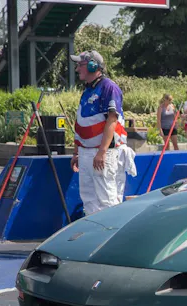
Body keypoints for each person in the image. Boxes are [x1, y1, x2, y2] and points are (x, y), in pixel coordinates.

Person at [70, 50, 136, 215]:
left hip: (103, 153)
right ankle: (93, 228)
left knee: (107, 200)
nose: (77, 69)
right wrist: (77, 152)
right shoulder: (87, 90)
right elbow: (81, 123)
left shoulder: (108, 87)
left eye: (80, 65)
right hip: (87, 152)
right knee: (89, 199)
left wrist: (102, 151)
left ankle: (112, 230)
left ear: (93, 66)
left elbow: (112, 120)